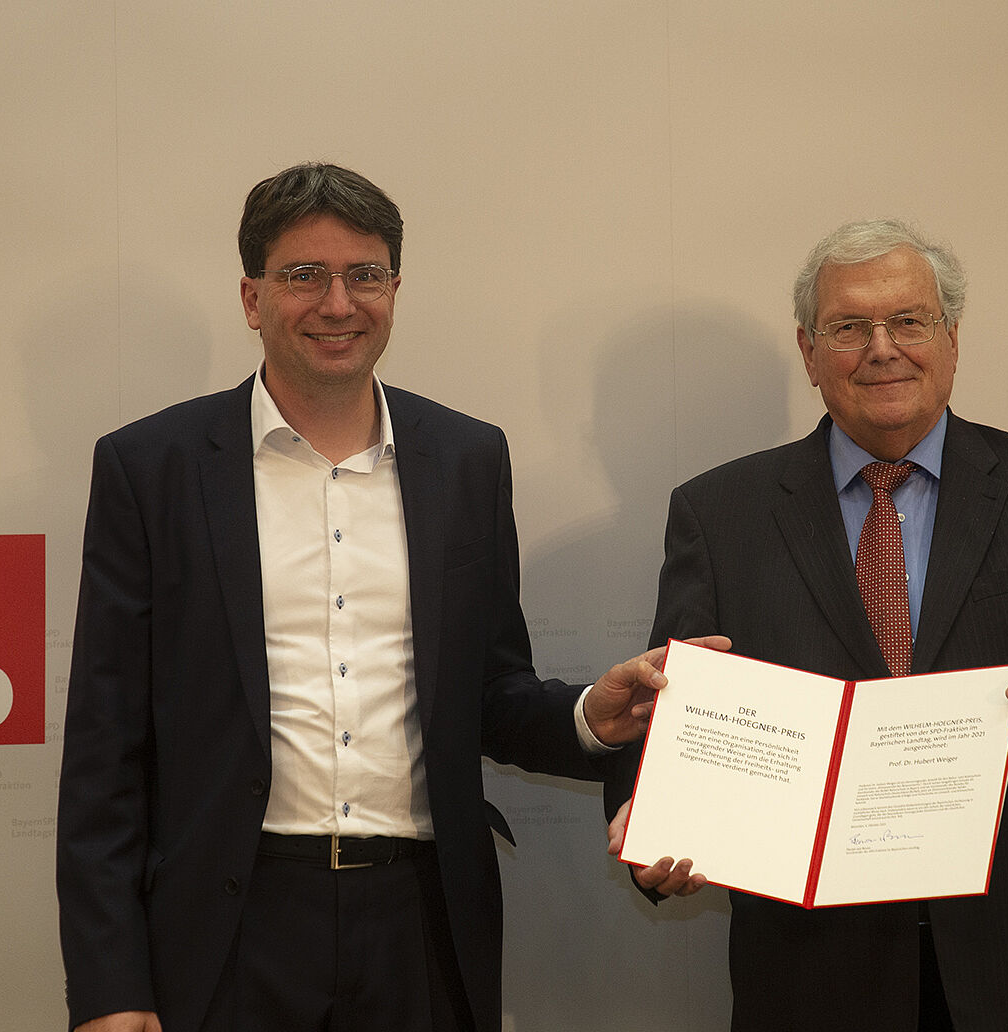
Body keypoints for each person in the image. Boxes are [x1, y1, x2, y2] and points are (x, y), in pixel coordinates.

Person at [56, 162, 719, 1032]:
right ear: (253, 298)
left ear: (395, 290)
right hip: (230, 924)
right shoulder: (153, 469)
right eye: (305, 276)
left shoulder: (466, 460)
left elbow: (490, 694)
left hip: (423, 925)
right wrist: (111, 990)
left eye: (365, 275)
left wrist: (595, 712)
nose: (339, 303)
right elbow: (105, 751)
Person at [605, 218, 1008, 1032]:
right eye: (848, 327)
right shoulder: (720, 515)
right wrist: (655, 831)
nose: (881, 348)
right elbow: (662, 716)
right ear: (810, 351)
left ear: (951, 339)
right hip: (813, 979)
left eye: (909, 322)